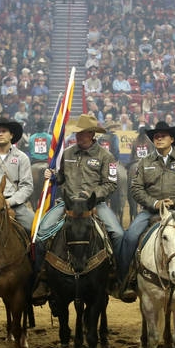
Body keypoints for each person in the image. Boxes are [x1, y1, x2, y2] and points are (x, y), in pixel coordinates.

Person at [31, 114, 123, 302]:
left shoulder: (106, 157)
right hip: (68, 205)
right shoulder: (68, 153)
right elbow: (62, 178)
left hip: (94, 205)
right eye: (77, 133)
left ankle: (116, 276)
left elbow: (110, 184)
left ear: (92, 134)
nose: (79, 137)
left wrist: (91, 196)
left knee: (118, 234)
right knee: (41, 233)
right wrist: (54, 175)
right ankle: (42, 278)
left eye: (83, 134)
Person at [119, 121, 175, 304]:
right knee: (129, 237)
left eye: (163, 136)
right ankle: (128, 280)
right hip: (151, 212)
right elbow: (136, 189)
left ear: (172, 139)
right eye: (156, 136)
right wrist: (155, 202)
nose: (158, 139)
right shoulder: (145, 162)